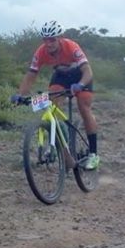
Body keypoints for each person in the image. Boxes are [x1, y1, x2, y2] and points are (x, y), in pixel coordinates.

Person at [10, 20, 99, 170]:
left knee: (84, 107)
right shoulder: (41, 52)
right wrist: (20, 95)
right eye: (45, 40)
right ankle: (61, 143)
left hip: (80, 77)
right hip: (61, 76)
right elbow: (31, 75)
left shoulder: (71, 47)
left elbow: (87, 71)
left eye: (52, 39)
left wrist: (81, 85)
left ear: (60, 38)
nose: (48, 43)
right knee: (49, 104)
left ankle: (93, 155)